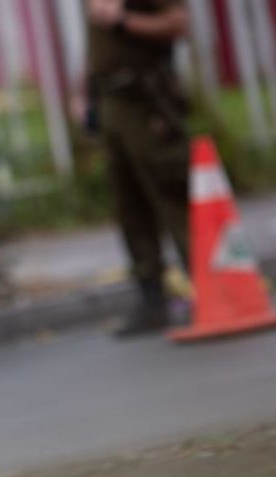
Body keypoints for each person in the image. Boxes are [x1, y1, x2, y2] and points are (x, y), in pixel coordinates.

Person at [85, 0, 191, 337]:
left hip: (145, 99)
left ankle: (211, 285)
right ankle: (153, 300)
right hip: (110, 99)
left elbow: (177, 23)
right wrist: (84, 92)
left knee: (173, 193)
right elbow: (97, 44)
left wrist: (123, 20)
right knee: (129, 205)